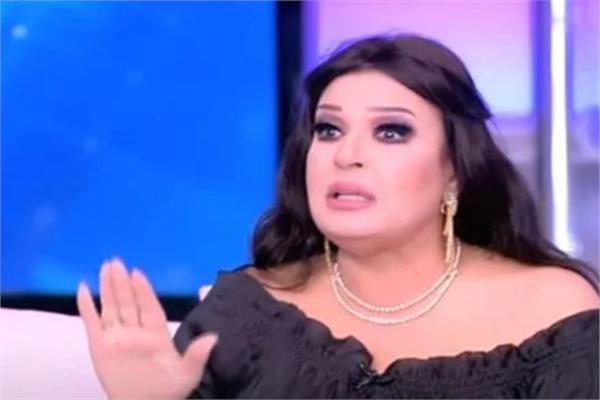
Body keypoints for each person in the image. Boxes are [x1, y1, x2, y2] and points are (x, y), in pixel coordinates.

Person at [77, 34, 599, 399]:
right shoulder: (244, 313)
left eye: (391, 132)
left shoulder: (553, 308)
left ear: (455, 173)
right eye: (328, 130)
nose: (346, 155)